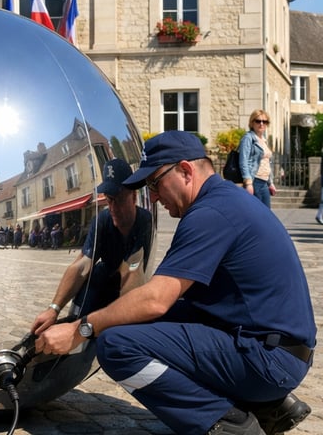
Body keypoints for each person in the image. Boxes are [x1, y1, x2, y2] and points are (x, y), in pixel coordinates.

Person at [34, 131, 315, 435]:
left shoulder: (209, 213)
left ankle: (229, 425)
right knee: (139, 321)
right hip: (275, 347)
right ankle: (269, 406)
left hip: (268, 360)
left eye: (154, 183)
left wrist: (81, 329)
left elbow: (155, 298)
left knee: (117, 345)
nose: (153, 196)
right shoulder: (224, 200)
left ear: (185, 170)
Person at [30, 158, 152, 337]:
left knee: (117, 333)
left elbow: (132, 273)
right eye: (108, 200)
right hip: (103, 276)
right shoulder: (102, 220)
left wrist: (96, 326)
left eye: (118, 200)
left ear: (133, 197)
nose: (112, 207)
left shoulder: (144, 221)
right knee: (80, 309)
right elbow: (82, 265)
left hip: (127, 284)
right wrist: (53, 309)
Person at [238, 109, 276, 208]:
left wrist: (270, 183)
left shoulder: (263, 140)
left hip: (264, 182)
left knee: (266, 213)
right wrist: (248, 183)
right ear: (252, 122)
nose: (261, 124)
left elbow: (267, 162)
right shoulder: (248, 138)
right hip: (255, 181)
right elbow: (243, 161)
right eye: (258, 121)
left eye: (265, 121)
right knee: (258, 214)